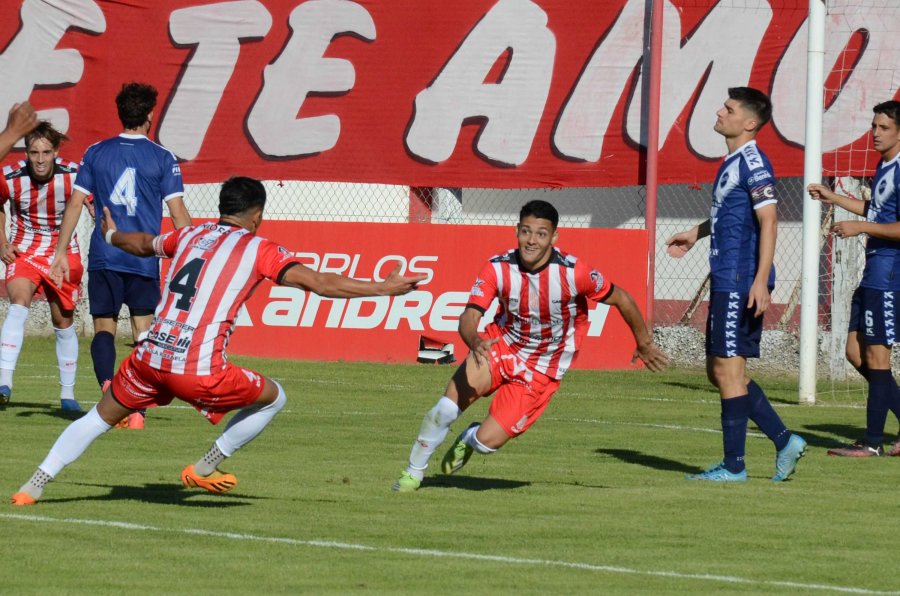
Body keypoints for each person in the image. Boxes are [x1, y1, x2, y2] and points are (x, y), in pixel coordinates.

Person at [11, 176, 426, 505]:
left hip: (150, 356)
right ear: (257, 215)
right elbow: (319, 282)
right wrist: (383, 288)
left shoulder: (189, 235)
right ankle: (205, 466)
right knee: (275, 397)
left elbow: (142, 243)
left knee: (97, 418)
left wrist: (113, 235)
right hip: (197, 369)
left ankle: (34, 484)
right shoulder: (260, 248)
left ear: (223, 208)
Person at [392, 199, 668, 492]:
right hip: (499, 346)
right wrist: (474, 340)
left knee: (488, 444)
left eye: (540, 234)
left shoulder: (574, 273)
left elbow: (622, 298)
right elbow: (469, 315)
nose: (531, 241)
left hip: (541, 369)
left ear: (554, 237)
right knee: (445, 409)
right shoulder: (497, 268)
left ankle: (470, 439)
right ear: (517, 231)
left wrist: (645, 343)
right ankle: (413, 473)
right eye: (526, 232)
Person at [666, 87, 806, 482]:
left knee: (728, 371)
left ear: (748, 123)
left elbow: (769, 219)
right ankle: (784, 441)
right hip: (730, 276)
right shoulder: (732, 162)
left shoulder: (754, 162)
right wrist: (696, 233)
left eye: (728, 109)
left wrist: (760, 281)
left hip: (742, 279)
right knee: (722, 370)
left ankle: (734, 467)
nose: (719, 111)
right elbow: (734, 215)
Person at [50, 82, 192, 428]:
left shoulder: (97, 152)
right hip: (143, 256)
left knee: (103, 328)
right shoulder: (162, 157)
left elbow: (73, 204)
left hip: (105, 256)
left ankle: (108, 390)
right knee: (144, 331)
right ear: (149, 115)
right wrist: (194, 252)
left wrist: (60, 252)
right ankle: (137, 411)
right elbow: (177, 214)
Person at [807, 100, 900, 457]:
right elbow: (877, 211)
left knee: (878, 359)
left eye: (883, 128)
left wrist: (861, 227)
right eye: (874, 126)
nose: (875, 133)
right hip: (873, 269)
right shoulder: (884, 166)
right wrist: (835, 198)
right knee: (853, 352)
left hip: (890, 273)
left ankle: (872, 443)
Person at [0, 120, 83, 411]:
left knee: (63, 322)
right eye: (34, 153)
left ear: (55, 151)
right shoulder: (10, 176)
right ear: (26, 153)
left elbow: (96, 204)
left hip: (62, 255)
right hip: (23, 252)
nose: (40, 160)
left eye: (46, 152)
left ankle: (68, 396)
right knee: (19, 302)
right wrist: (2, 242)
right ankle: (3, 383)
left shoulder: (75, 175)